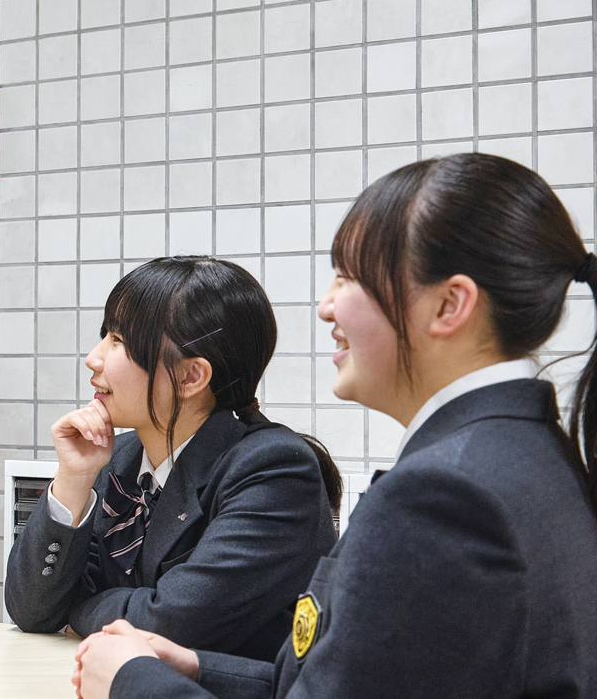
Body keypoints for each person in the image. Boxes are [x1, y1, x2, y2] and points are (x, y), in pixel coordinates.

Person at [76, 153, 597, 698]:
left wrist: (133, 681)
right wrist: (198, 669)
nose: (327, 307)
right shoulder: (526, 453)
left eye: (349, 278)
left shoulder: (445, 495)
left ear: (449, 305)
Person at [6, 256, 342, 661]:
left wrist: (76, 609)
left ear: (190, 377)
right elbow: (32, 609)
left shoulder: (273, 469)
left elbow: (175, 623)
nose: (94, 358)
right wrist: (74, 478)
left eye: (118, 341)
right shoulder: (122, 456)